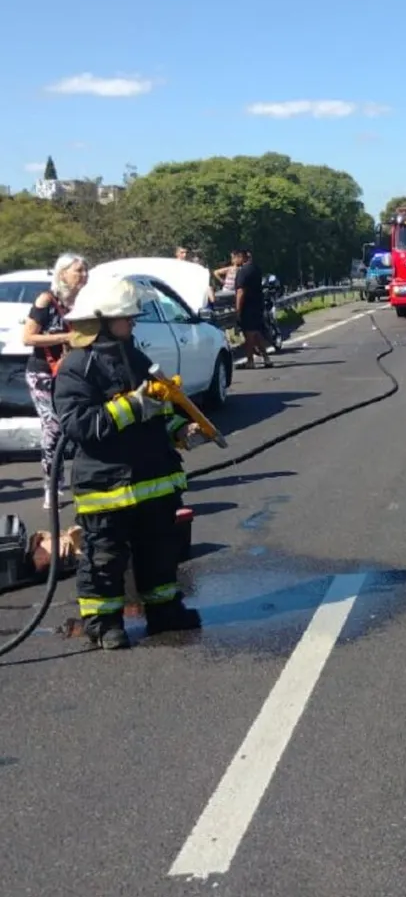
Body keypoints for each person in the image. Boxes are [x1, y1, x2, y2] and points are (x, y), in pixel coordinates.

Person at [53, 275, 206, 650]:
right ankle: (104, 624)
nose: (133, 322)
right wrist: (132, 406)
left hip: (152, 480)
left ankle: (163, 612)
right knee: (104, 560)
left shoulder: (135, 356)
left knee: (160, 551)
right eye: (127, 317)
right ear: (102, 320)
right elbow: (80, 426)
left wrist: (179, 430)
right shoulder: (77, 367)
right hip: (107, 489)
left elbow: (157, 410)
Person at [23, 253, 88, 508]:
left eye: (85, 271)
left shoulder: (82, 304)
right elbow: (28, 337)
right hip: (42, 372)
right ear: (63, 274)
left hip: (71, 373)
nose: (83, 275)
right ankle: (51, 485)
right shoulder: (46, 300)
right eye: (78, 271)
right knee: (53, 426)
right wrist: (63, 339)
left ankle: (79, 480)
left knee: (76, 425)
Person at [234, 247, 273, 368]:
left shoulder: (243, 271)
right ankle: (266, 358)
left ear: (241, 257)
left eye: (234, 257)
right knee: (256, 333)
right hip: (258, 304)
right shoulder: (256, 269)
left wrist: (238, 310)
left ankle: (250, 361)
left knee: (249, 335)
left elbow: (240, 291)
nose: (233, 260)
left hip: (248, 306)